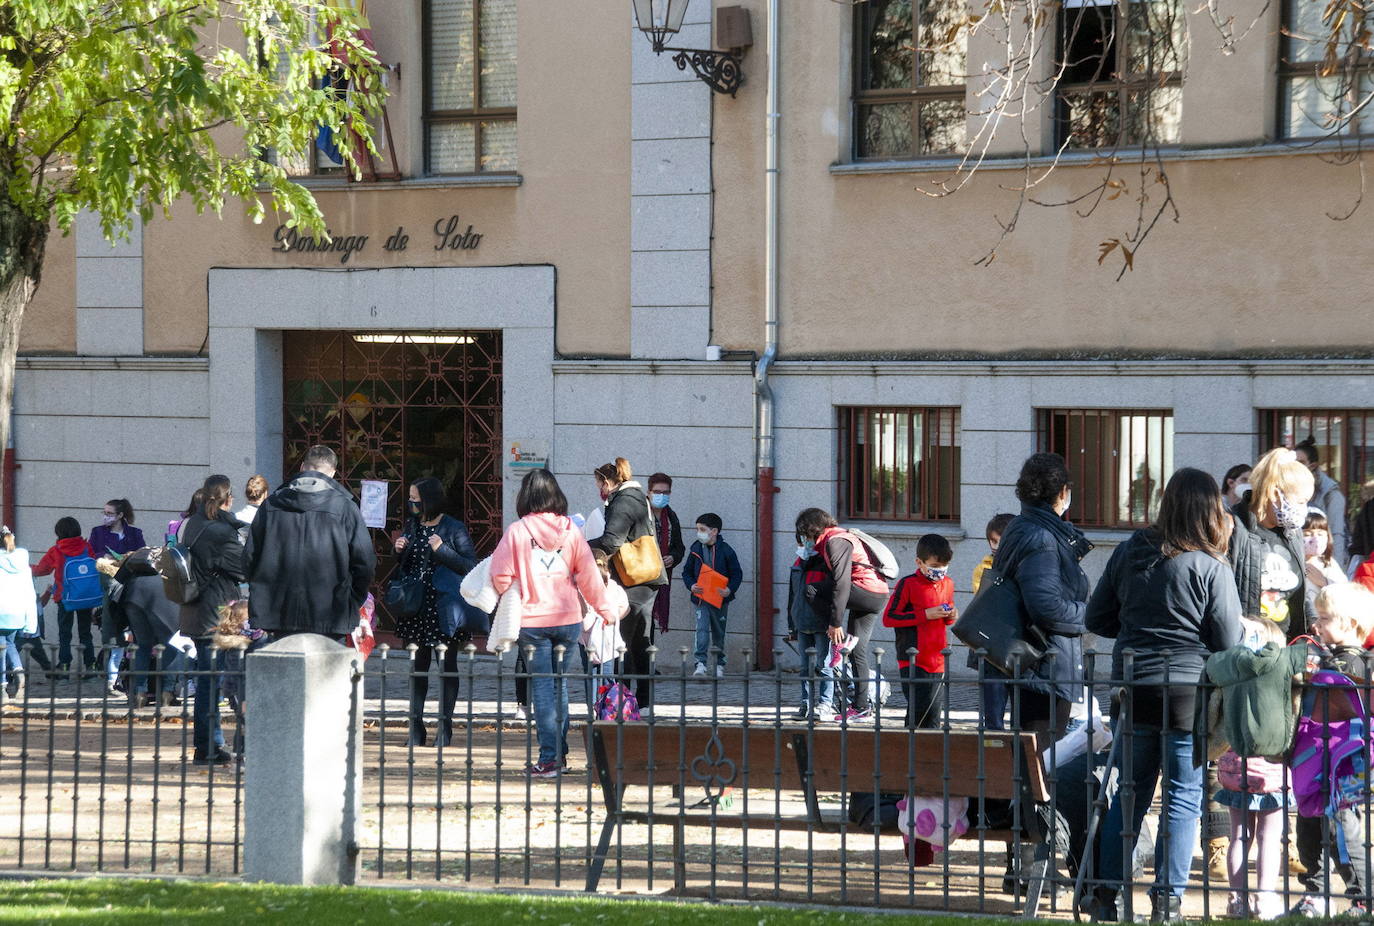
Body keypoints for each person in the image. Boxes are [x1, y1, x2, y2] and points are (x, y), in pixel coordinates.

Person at [1085, 467, 1244, 924]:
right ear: (1209, 509)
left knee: (1128, 795)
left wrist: (1137, 632)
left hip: (1134, 684)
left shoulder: (1130, 551)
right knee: (1182, 796)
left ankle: (1106, 895)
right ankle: (1167, 902)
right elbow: (1229, 640)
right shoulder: (1211, 565)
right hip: (1187, 688)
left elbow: (1098, 617)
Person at [490, 469, 616, 778]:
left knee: (543, 689)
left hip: (532, 621)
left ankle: (550, 758)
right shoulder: (571, 530)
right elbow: (588, 574)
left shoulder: (518, 531)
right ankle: (558, 754)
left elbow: (500, 576)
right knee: (559, 686)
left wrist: (516, 585)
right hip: (568, 620)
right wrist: (605, 609)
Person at [991, 453, 1093, 735]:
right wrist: (1092, 615)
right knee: (1041, 762)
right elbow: (1047, 607)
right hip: (1042, 663)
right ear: (1062, 492)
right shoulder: (1041, 537)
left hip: (1036, 661)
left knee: (1036, 760)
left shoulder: (1023, 527)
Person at [1290, 582, 1374, 918]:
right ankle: (1315, 893)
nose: (1316, 624)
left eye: (1324, 618)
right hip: (1323, 758)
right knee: (1310, 825)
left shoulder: (1355, 664)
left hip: (1343, 760)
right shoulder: (1332, 659)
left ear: (1351, 623)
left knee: (1342, 826)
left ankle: (1363, 897)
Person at [247, 445, 377, 641]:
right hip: (330, 612)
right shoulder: (345, 508)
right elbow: (365, 563)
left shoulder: (271, 505)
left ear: (302, 467)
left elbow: (249, 558)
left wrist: (266, 593)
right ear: (332, 473)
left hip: (279, 612)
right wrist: (351, 599)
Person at [392, 476, 478, 747]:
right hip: (417, 608)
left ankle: (445, 728)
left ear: (429, 499)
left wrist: (442, 550)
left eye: (416, 498)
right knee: (418, 669)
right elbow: (408, 565)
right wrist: (400, 550)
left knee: (446, 669)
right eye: (410, 499)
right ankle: (415, 729)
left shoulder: (453, 527)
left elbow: (469, 564)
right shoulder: (413, 525)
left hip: (443, 607)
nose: (412, 503)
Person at [1214, 618, 1289, 920]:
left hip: (1235, 770)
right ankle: (1265, 898)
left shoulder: (1232, 681)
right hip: (1270, 771)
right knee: (1270, 838)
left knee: (1239, 837)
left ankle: (1237, 900)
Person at [794, 507, 891, 722]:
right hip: (877, 594)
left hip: (863, 591)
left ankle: (835, 635)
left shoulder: (834, 541)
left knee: (812, 590)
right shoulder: (841, 537)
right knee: (857, 651)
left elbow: (842, 583)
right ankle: (862, 707)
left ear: (811, 529)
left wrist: (835, 623)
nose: (803, 540)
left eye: (803, 534)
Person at [178, 474, 246, 765]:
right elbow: (244, 568)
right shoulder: (218, 531)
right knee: (211, 682)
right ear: (227, 498)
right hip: (214, 613)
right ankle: (206, 749)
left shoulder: (193, 523)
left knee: (209, 682)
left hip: (196, 609)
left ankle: (212, 744)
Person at [589, 458, 666, 706]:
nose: (598, 489)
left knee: (621, 640)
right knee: (639, 640)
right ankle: (641, 700)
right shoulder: (633, 496)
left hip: (636, 578)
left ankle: (623, 699)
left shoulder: (624, 500)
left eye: (598, 483)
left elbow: (611, 541)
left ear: (607, 481)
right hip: (644, 578)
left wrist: (581, 545)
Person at [1226, 447, 1315, 637]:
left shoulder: (1293, 533)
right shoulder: (1234, 529)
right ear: (1275, 494)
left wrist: (1312, 621)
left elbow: (1300, 590)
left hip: (1286, 643)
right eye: (1300, 502)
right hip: (1246, 643)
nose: (1304, 510)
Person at [882, 533, 956, 729]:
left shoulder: (948, 583)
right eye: (934, 566)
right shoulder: (907, 584)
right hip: (912, 656)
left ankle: (933, 752)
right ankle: (912, 749)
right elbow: (889, 618)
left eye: (943, 566)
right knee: (918, 709)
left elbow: (947, 616)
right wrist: (924, 614)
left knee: (933, 713)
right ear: (919, 562)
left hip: (937, 657)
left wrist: (951, 615)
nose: (940, 571)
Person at [32, 517, 100, 678]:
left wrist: (21, 566)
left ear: (59, 533)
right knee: (85, 632)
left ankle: (64, 667)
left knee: (65, 633)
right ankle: (90, 667)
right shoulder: (86, 546)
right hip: (85, 597)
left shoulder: (56, 550)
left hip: (65, 597)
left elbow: (42, 570)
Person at [680, 512, 743, 677]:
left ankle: (719, 664)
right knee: (701, 630)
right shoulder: (695, 549)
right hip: (701, 599)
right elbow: (686, 572)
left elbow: (737, 573)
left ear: (714, 531)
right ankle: (700, 663)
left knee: (718, 631)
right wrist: (691, 585)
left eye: (702, 529)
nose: (698, 532)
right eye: (697, 529)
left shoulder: (726, 550)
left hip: (720, 599)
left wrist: (729, 589)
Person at [970, 512, 1015, 730]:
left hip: (1016, 641)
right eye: (993, 541)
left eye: (1001, 541)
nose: (996, 546)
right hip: (992, 643)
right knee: (993, 707)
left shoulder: (1024, 564)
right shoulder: (983, 568)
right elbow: (984, 598)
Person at [786, 541, 835, 721]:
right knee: (805, 668)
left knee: (824, 666)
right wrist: (791, 624)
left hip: (821, 623)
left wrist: (832, 622)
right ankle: (805, 703)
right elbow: (792, 597)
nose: (803, 546)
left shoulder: (825, 565)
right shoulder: (798, 565)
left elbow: (832, 595)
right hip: (801, 621)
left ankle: (825, 704)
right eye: (799, 542)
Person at [1295, 438, 1348, 569]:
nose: (1295, 467)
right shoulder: (1290, 487)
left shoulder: (1331, 494)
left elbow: (1337, 533)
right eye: (1293, 463)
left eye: (1300, 462)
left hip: (1322, 561)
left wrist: (1334, 566)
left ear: (1312, 465)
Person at [0, 527, 37, 703]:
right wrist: (31, 624)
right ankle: (19, 671)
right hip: (17, 613)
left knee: (1, 649)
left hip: (1, 612)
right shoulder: (23, 563)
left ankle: (2, 689)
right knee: (10, 644)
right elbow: (30, 592)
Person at [647, 473, 685, 639]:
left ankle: (648, 662)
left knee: (649, 624)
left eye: (665, 492)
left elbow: (679, 547)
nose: (661, 496)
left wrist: (673, 557)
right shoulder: (640, 513)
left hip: (661, 575)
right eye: (657, 491)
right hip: (641, 575)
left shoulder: (671, 516)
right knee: (641, 620)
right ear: (648, 492)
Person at [1302, 508, 1347, 614]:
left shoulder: (1328, 563)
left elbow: (1345, 593)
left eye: (1320, 534)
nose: (1315, 539)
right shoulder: (1291, 562)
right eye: (1308, 535)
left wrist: (1324, 582)